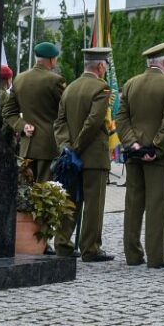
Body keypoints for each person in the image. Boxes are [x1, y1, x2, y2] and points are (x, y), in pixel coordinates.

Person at [117, 41, 164, 269]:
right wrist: (155, 148)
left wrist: (133, 144)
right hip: (159, 157)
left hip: (133, 155)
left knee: (133, 204)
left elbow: (121, 119)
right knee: (157, 206)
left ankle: (132, 255)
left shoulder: (130, 84)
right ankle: (156, 257)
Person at [54, 46, 115, 262]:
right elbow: (94, 121)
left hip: (69, 156)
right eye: (105, 67)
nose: (105, 70)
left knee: (69, 201)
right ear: (100, 66)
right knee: (93, 204)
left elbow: (59, 122)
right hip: (93, 157)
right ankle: (90, 248)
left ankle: (62, 244)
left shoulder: (69, 88)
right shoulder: (102, 88)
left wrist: (66, 147)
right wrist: (77, 148)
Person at [0, 42, 66, 182]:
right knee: (47, 194)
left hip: (27, 146)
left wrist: (22, 126)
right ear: (51, 60)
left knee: (27, 193)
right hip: (49, 147)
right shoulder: (55, 80)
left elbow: (8, 111)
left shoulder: (19, 79)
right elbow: (65, 111)